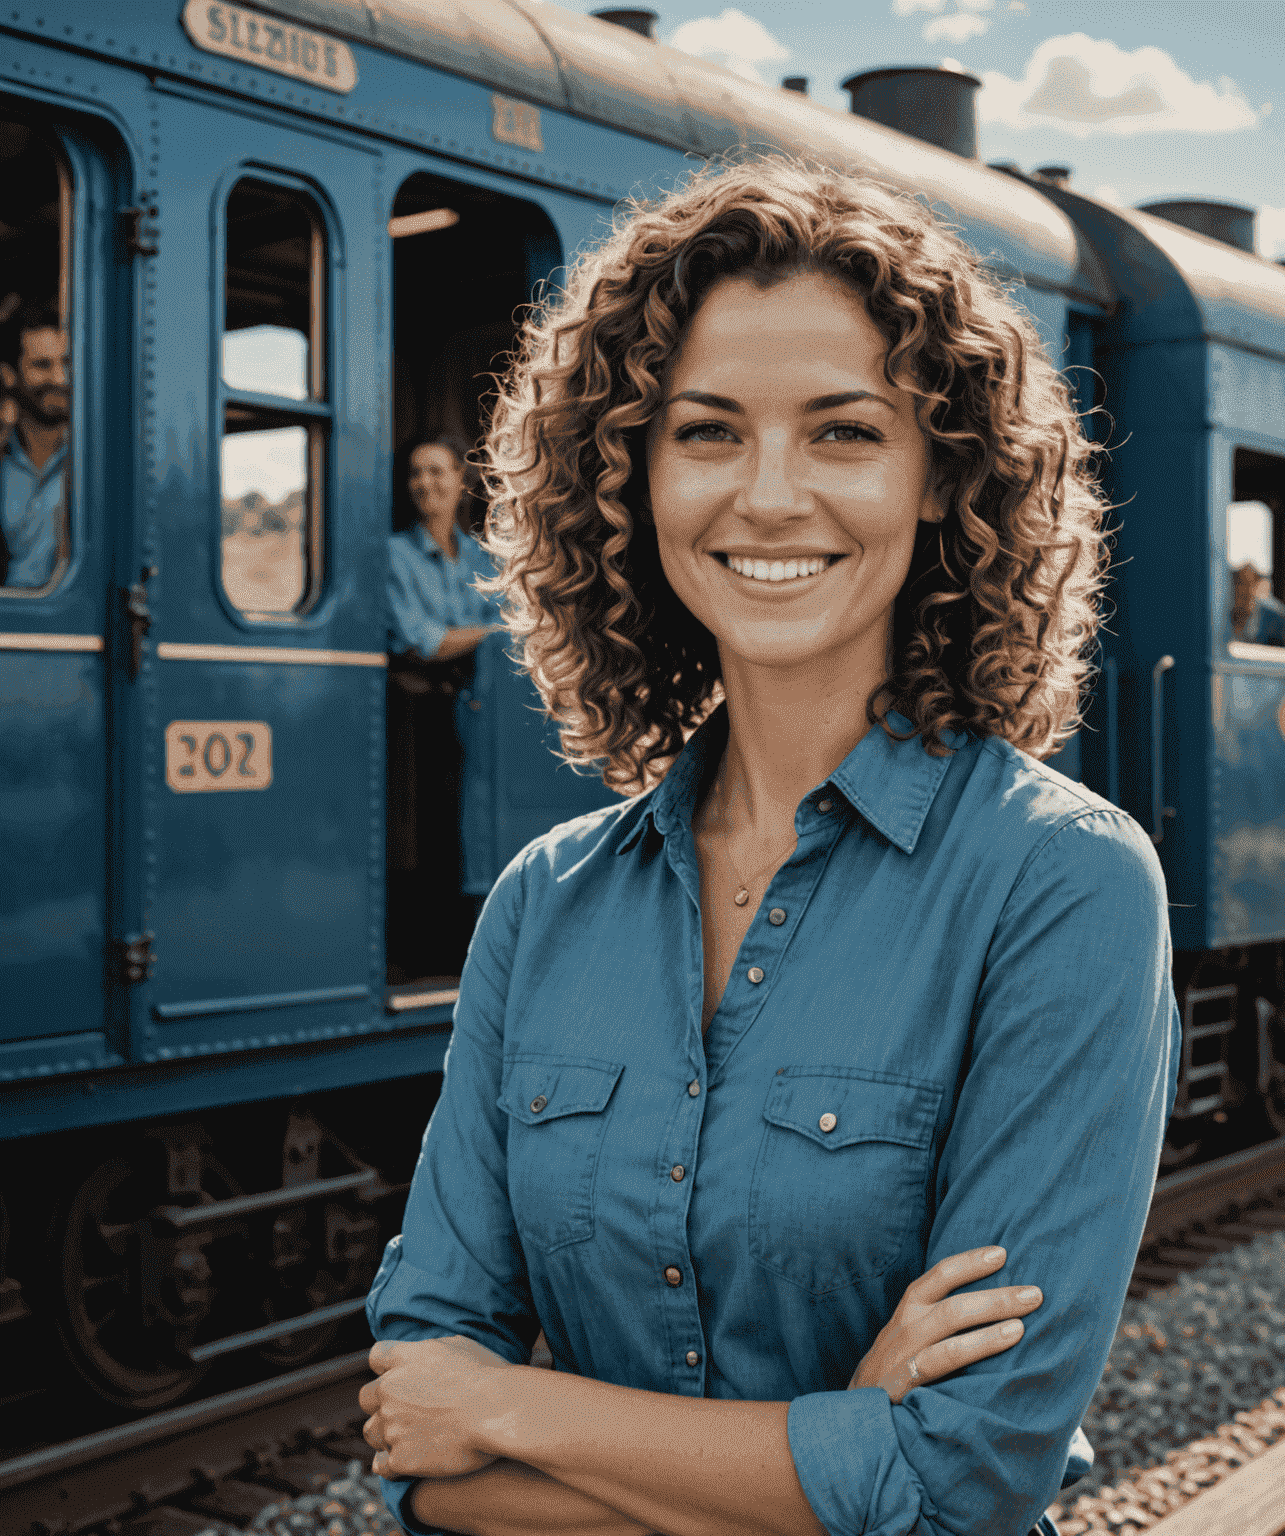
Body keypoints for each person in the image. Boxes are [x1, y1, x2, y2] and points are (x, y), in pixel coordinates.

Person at [361, 158, 1179, 1536]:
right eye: (710, 432)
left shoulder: (1063, 885)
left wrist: (507, 1410)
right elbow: (415, 1457)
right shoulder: (541, 907)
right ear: (633, 475)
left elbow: (960, 1482)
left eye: (845, 433)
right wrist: (835, 1448)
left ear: (942, 480)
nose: (770, 495)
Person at [385, 437, 505, 977]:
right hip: (418, 716)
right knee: (426, 841)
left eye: (436, 472)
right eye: (415, 473)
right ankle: (426, 957)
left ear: (462, 481)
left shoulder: (483, 557)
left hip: (479, 713)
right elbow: (420, 641)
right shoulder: (394, 555)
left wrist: (476, 636)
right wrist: (487, 632)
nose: (424, 484)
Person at [1, 300, 69, 589]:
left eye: (66, 362)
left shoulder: (96, 461)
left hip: (69, 632)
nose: (60, 378)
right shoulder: (2, 458)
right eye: (42, 365)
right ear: (9, 374)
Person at [1231, 561, 1285, 647]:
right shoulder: (1226, 616)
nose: (1243, 590)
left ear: (1257, 585)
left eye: (1249, 584)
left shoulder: (1276, 618)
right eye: (1240, 584)